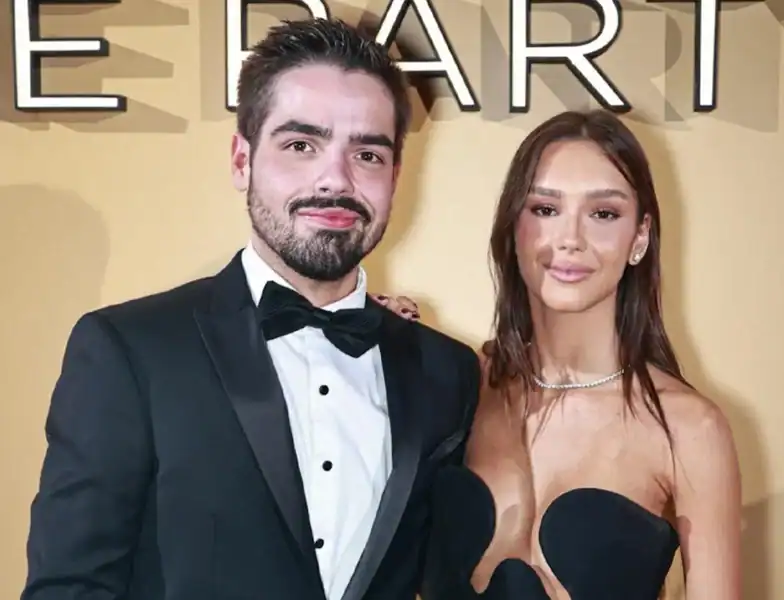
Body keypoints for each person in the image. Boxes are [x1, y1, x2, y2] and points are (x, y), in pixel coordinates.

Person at [21, 18, 481, 600]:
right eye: (301, 145)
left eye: (367, 153)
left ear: (395, 176)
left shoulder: (447, 371)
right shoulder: (130, 351)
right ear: (242, 160)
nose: (335, 180)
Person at [378, 110, 741, 599]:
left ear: (640, 237)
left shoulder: (688, 429)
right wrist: (378, 349)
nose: (570, 239)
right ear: (513, 227)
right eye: (545, 209)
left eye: (603, 214)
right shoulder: (458, 385)